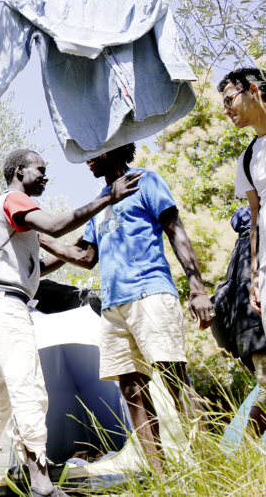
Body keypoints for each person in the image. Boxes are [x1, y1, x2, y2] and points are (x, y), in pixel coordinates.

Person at [0, 149, 140, 497]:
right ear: (20, 170)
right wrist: (107, 197)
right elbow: (55, 223)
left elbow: (37, 268)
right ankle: (41, 483)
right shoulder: (14, 200)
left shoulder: (15, 219)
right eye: (40, 169)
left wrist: (67, 250)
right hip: (6, 310)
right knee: (30, 393)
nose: (45, 176)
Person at [39, 143, 213, 472]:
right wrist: (42, 241)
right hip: (113, 309)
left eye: (91, 150)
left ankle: (211, 472)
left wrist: (197, 287)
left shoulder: (146, 181)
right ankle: (161, 480)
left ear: (114, 147)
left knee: (175, 380)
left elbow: (176, 231)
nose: (86, 158)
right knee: (133, 389)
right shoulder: (101, 203)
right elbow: (86, 258)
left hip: (150, 294)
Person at [219, 67, 266, 436]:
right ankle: (249, 461)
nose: (226, 110)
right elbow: (254, 216)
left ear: (253, 90)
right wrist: (253, 275)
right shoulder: (248, 158)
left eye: (229, 100)